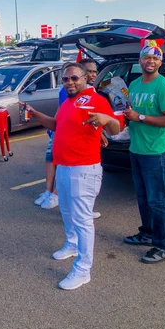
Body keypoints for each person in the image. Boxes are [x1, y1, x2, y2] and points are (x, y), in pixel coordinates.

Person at [23, 63, 120, 290]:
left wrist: (107, 121)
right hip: (64, 167)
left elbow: (115, 128)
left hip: (84, 170)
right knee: (66, 211)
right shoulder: (67, 102)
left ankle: (83, 269)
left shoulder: (96, 99)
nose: (70, 82)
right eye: (66, 79)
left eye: (74, 78)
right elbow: (57, 125)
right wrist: (36, 114)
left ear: (86, 78)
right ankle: (72, 244)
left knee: (83, 220)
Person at [123, 40, 165, 264]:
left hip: (155, 152)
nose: (151, 61)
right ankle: (147, 233)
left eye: (155, 58)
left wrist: (140, 117)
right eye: (147, 57)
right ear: (140, 60)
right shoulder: (135, 84)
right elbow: (130, 113)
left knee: (158, 201)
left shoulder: (164, 87)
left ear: (160, 62)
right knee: (143, 197)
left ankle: (164, 245)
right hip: (136, 149)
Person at [36, 58, 103, 215]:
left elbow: (102, 121)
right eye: (88, 71)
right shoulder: (70, 92)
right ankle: (51, 194)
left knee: (81, 212)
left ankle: (56, 196)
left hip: (83, 157)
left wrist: (102, 131)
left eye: (94, 71)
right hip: (63, 137)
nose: (92, 74)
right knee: (53, 160)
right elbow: (63, 112)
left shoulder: (93, 95)